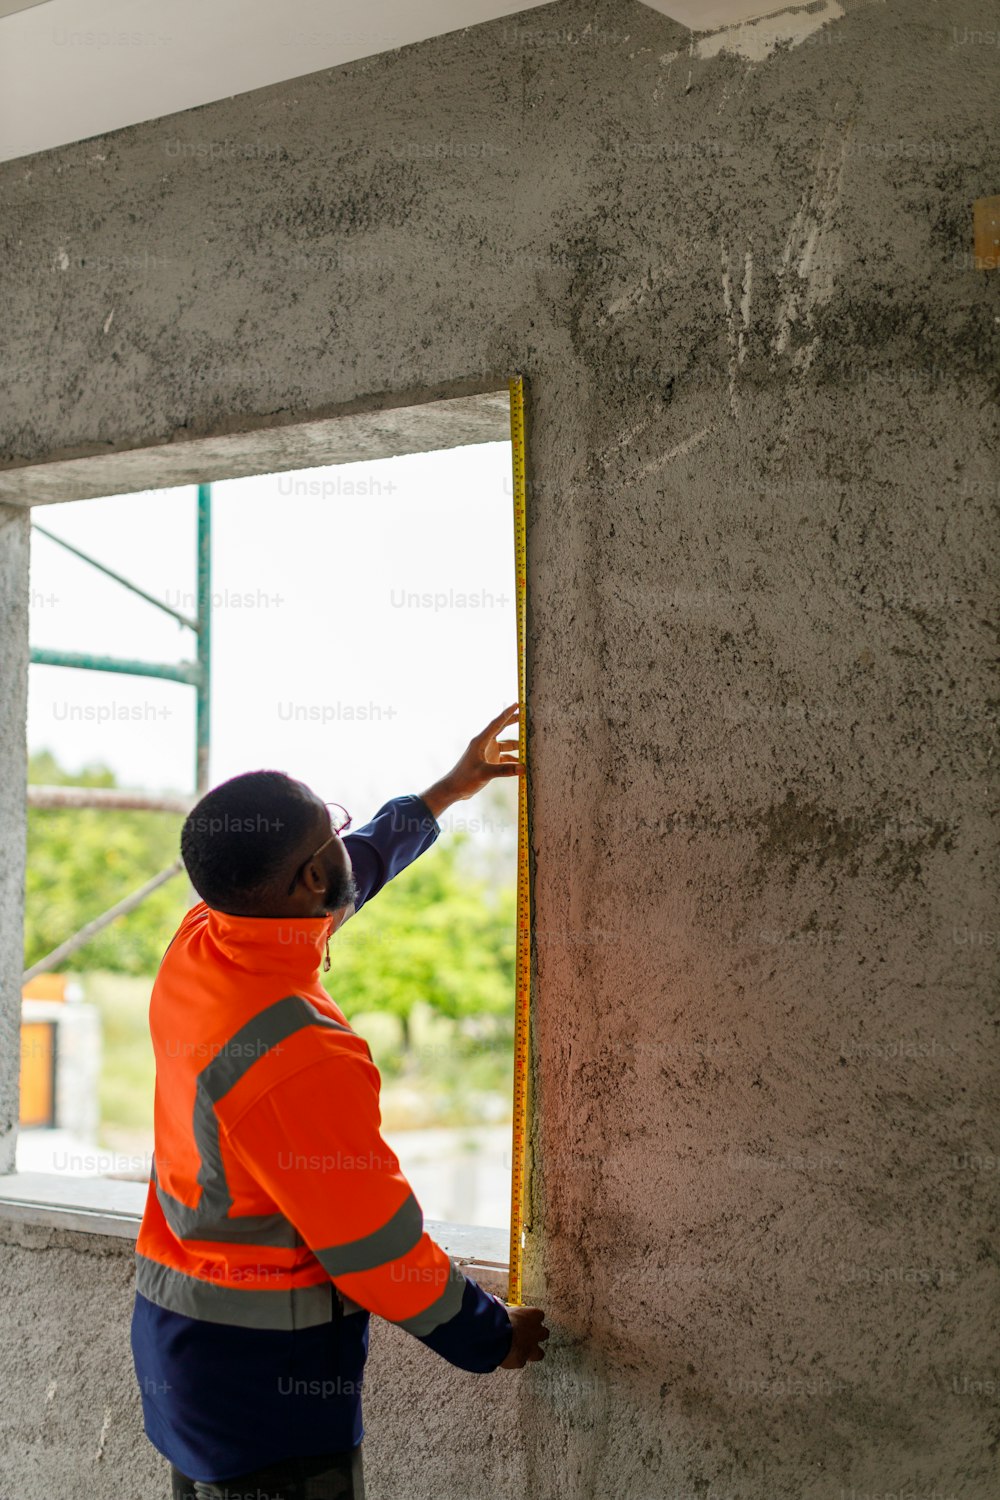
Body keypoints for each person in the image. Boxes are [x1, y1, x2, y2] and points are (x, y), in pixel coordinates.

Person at [130, 703, 549, 1500]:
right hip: (267, 1395)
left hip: (179, 1351)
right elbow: (375, 1247)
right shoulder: (297, 1050)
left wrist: (445, 793)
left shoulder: (204, 940)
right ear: (310, 878)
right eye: (332, 828)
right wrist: (490, 1334)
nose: (344, 839)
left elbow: (350, 871)